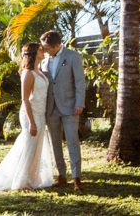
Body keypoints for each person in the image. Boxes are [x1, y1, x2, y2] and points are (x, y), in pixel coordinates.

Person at [0, 42, 54, 192]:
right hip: (31, 114)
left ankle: (31, 178)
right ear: (34, 53)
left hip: (41, 114)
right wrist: (31, 122)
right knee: (27, 146)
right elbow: (25, 99)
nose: (43, 51)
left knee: (36, 147)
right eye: (40, 49)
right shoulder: (28, 74)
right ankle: (21, 181)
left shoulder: (40, 70)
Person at [40, 30, 85, 191]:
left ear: (57, 45)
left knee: (72, 141)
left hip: (70, 107)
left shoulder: (73, 56)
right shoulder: (43, 59)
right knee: (54, 143)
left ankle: (76, 178)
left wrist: (79, 103)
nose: (45, 50)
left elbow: (80, 81)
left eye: (47, 48)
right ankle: (61, 175)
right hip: (50, 108)